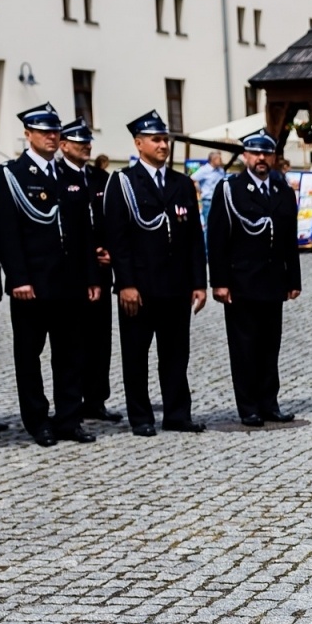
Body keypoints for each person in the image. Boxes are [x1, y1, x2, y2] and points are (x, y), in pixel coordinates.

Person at [0, 102, 98, 447]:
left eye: (55, 131)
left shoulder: (69, 176)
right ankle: (38, 421)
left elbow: (84, 234)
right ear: (28, 135)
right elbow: (6, 233)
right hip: (32, 285)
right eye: (44, 132)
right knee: (29, 355)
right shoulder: (12, 175)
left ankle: (69, 417)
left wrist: (92, 277)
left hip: (69, 283)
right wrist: (18, 277)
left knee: (70, 354)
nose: (52, 137)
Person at [103, 110, 208, 437]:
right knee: (136, 355)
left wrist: (198, 283)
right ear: (138, 143)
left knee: (176, 354)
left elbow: (193, 238)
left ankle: (177, 413)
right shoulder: (124, 182)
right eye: (156, 139)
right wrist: (126, 284)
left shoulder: (181, 184)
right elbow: (117, 239)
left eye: (166, 139)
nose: (163, 145)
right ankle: (141, 416)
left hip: (175, 286)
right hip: (141, 287)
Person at [206, 128, 301, 427]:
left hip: (273, 282)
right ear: (245, 156)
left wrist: (293, 279)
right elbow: (217, 239)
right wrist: (219, 282)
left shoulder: (282, 190)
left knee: (269, 346)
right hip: (241, 283)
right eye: (255, 153)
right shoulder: (230, 189)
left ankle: (269, 402)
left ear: (273, 157)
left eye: (267, 153)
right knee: (245, 347)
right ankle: (248, 406)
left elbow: (288, 240)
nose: (261, 158)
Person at [58, 118, 119, 424]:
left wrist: (110, 250)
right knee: (74, 340)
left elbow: (112, 219)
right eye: (78, 141)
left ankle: (96, 399)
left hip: (102, 271)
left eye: (88, 141)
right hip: (73, 272)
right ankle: (73, 400)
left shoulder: (100, 178)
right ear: (63, 144)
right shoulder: (56, 176)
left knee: (100, 339)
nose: (85, 145)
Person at [194, 151, 227, 236]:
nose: (221, 160)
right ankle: (207, 248)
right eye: (219, 159)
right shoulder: (204, 170)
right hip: (208, 201)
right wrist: (199, 190)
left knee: (219, 225)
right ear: (213, 159)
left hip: (220, 201)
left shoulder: (221, 171)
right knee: (208, 225)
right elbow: (193, 179)